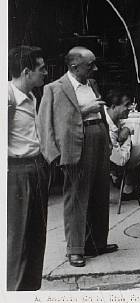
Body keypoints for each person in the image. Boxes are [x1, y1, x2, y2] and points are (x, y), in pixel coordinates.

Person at [38, 46, 118, 267]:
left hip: (98, 139)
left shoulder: (91, 83)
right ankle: (75, 249)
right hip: (75, 146)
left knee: (100, 193)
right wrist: (53, 155)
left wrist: (108, 140)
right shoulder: (54, 89)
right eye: (90, 65)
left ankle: (97, 243)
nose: (95, 68)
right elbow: (45, 124)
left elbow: (101, 112)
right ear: (74, 66)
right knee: (76, 197)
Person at [7, 46, 49, 290]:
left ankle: (31, 291)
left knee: (35, 239)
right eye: (41, 69)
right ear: (26, 71)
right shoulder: (8, 98)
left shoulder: (32, 97)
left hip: (36, 169)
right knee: (18, 240)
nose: (45, 73)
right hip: (18, 173)